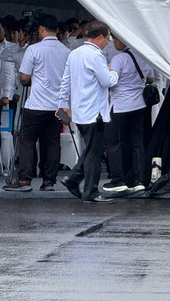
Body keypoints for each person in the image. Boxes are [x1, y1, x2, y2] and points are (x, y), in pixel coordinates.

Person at [4, 13, 70, 192]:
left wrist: (32, 78)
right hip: (58, 106)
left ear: (41, 29)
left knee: (27, 141)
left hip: (36, 104)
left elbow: (24, 77)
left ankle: (24, 179)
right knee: (53, 142)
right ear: (56, 30)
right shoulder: (67, 52)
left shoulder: (33, 50)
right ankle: (49, 180)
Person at [58, 21, 119, 203]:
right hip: (95, 111)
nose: (108, 42)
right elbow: (107, 81)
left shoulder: (74, 54)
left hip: (79, 110)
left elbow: (65, 81)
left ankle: (74, 178)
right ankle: (90, 190)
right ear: (100, 37)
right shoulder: (96, 56)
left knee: (91, 148)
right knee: (95, 152)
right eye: (107, 38)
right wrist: (113, 72)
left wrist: (62, 103)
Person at [101, 35, 153, 193]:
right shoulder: (144, 57)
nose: (114, 42)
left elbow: (111, 81)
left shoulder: (119, 59)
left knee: (114, 143)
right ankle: (138, 179)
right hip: (139, 106)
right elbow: (150, 78)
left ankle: (118, 178)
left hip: (120, 106)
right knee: (137, 143)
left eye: (116, 39)